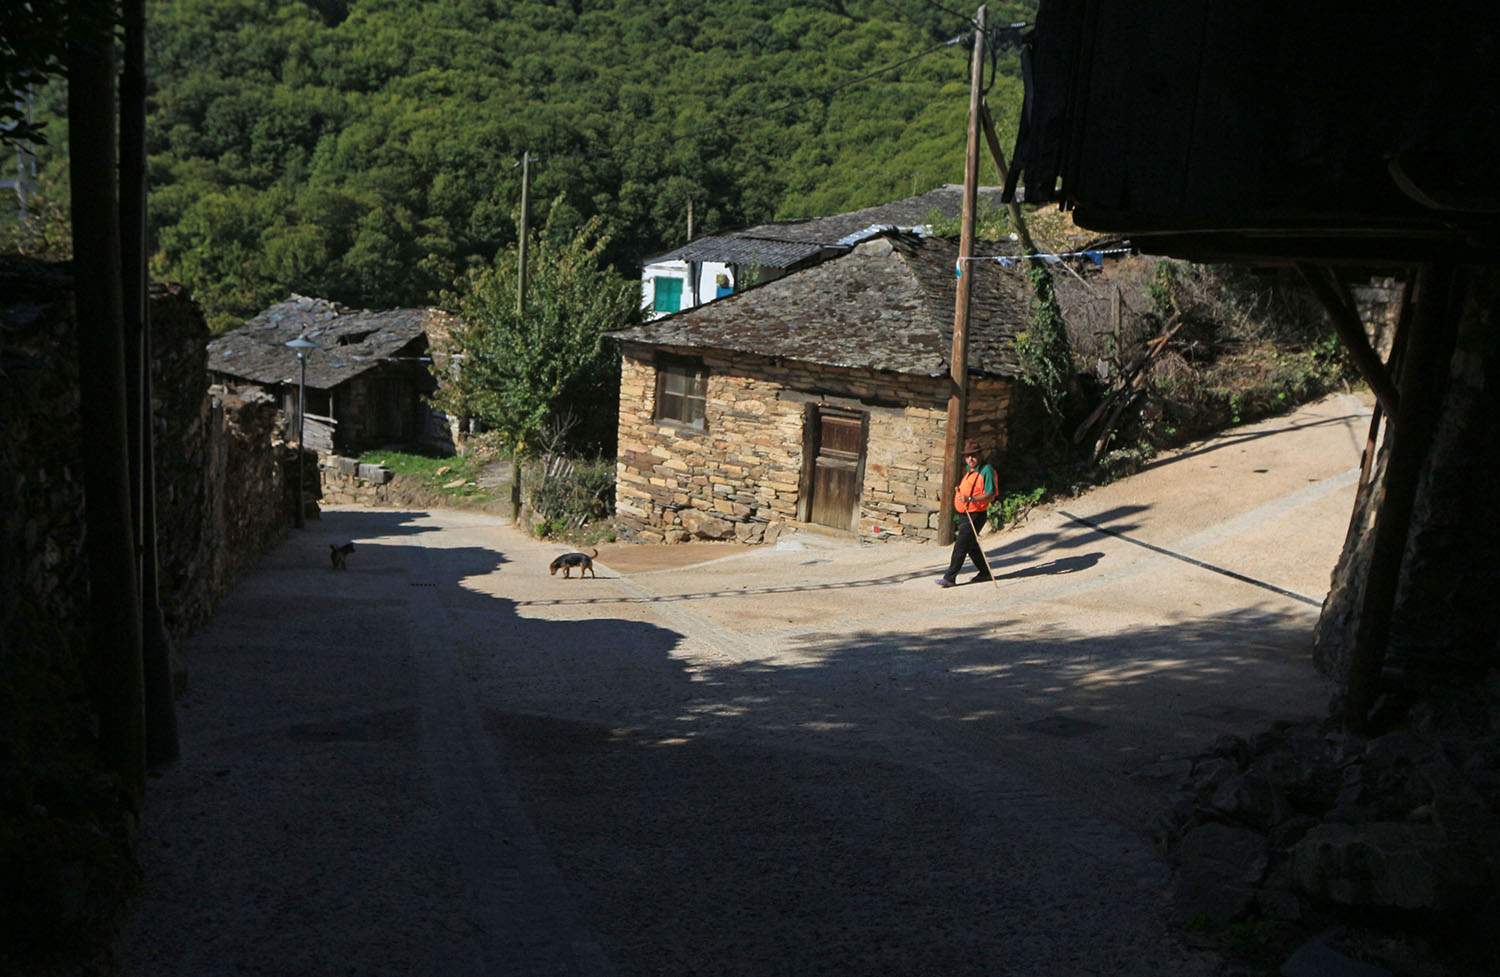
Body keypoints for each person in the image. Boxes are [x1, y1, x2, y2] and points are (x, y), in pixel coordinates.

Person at [937, 438, 998, 588]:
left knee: (961, 545)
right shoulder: (970, 469)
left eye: (974, 455)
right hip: (965, 514)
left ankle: (949, 578)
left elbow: (991, 494)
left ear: (980, 455)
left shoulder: (986, 471)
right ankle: (985, 572)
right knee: (971, 545)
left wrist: (970, 498)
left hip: (976, 514)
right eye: (967, 456)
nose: (970, 459)